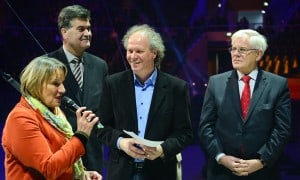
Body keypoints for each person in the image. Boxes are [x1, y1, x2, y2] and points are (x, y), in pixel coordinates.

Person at [97, 24, 193, 180]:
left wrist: (162, 149)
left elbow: (184, 133)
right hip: (122, 171)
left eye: (139, 51)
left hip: (160, 172)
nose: (133, 56)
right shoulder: (113, 84)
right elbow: (101, 127)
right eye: (130, 51)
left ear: (154, 53)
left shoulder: (177, 87)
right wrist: (121, 143)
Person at [198, 29, 291, 179]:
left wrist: (262, 161)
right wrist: (221, 157)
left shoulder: (277, 85)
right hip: (222, 171)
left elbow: (282, 130)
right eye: (233, 48)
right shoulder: (216, 83)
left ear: (258, 54)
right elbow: (205, 126)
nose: (235, 53)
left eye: (242, 49)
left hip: (263, 171)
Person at [1, 56, 102, 179]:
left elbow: (62, 161)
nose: (63, 89)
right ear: (36, 84)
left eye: (62, 83)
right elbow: (48, 168)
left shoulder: (55, 113)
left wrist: (81, 175)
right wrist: (81, 135)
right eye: (55, 84)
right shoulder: (20, 119)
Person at [47, 5, 108, 173]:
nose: (88, 33)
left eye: (89, 28)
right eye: (81, 29)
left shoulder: (100, 65)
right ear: (64, 32)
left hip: (94, 157)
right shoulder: (45, 64)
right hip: (60, 154)